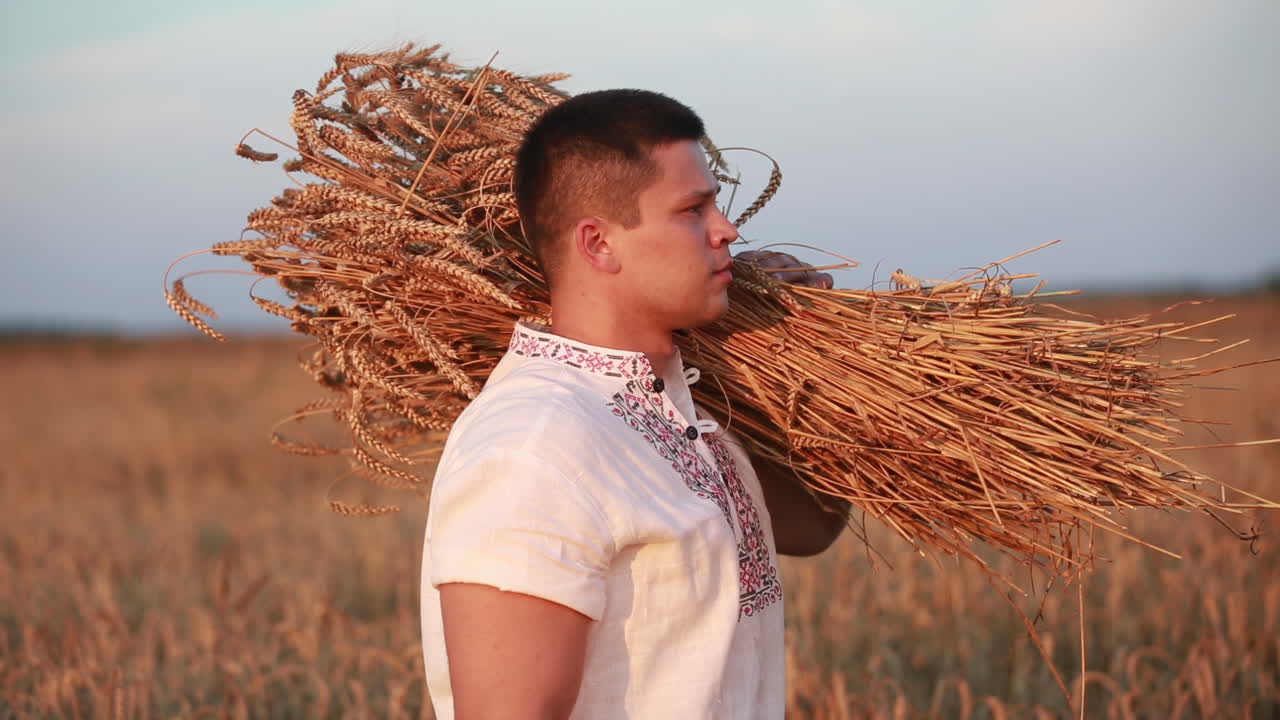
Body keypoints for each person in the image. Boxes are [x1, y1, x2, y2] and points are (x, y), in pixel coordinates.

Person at [419, 89, 848, 720]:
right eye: (692, 210)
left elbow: (813, 527)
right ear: (598, 245)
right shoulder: (534, 447)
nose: (727, 230)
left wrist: (806, 358)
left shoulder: (685, 401)